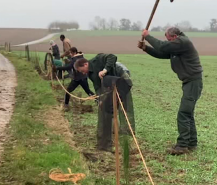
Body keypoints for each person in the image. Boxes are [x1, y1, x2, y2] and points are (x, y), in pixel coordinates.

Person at [138, 27, 203, 155]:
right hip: (189, 82)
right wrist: (146, 48)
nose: (167, 41)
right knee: (188, 113)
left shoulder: (183, 42)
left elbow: (162, 47)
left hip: (193, 82)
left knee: (183, 113)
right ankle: (192, 143)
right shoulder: (177, 46)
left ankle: (182, 146)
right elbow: (162, 53)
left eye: (168, 39)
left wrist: (147, 36)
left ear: (174, 37)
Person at [85, 53, 135, 151]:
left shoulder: (97, 59)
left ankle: (125, 131)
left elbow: (112, 56)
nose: (82, 73)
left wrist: (105, 70)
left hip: (121, 74)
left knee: (121, 104)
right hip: (111, 83)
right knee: (107, 106)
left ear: (85, 65)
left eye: (81, 71)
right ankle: (109, 134)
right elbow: (98, 86)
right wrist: (100, 100)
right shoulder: (89, 74)